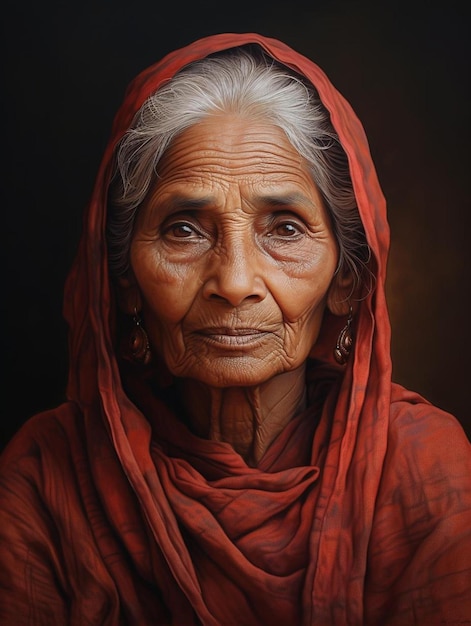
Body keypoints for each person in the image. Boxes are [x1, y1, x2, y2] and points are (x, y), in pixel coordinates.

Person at [0, 32, 470, 626]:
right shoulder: (47, 478)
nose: (236, 280)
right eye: (184, 230)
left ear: (347, 278)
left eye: (285, 229)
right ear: (121, 277)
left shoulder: (424, 472)